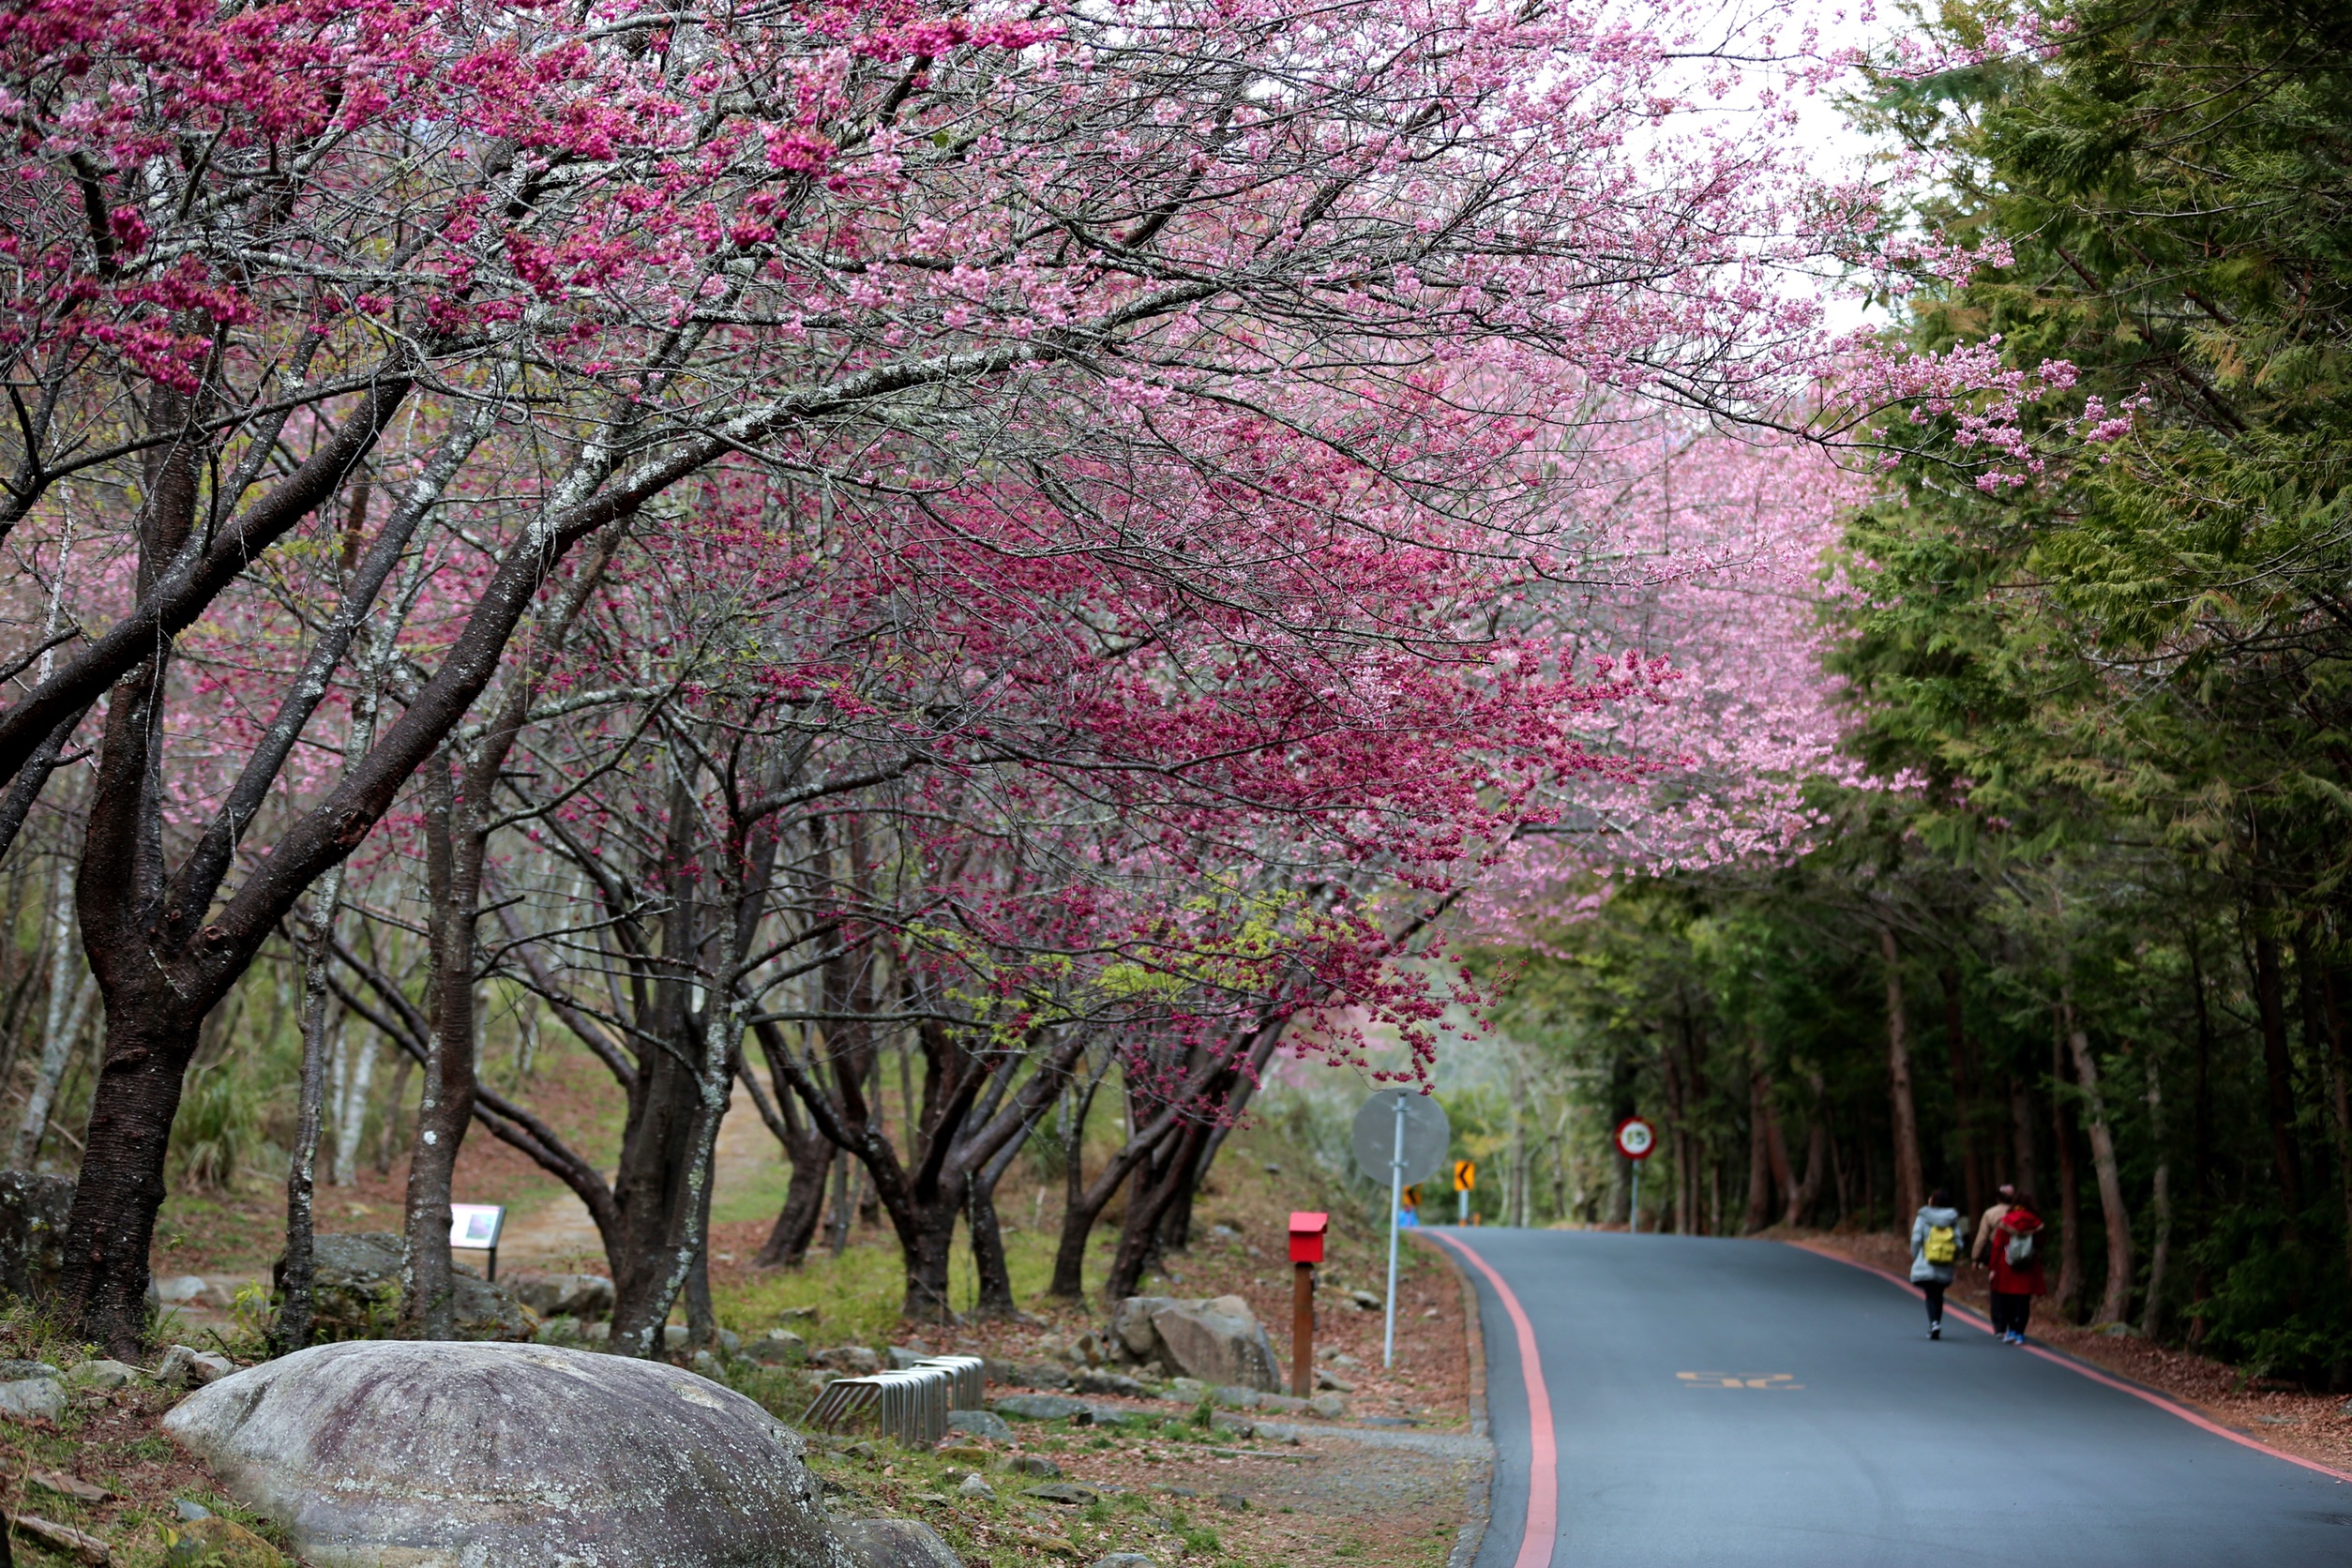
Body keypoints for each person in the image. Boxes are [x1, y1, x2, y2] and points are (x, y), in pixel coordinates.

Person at [1986, 1191, 2048, 1344]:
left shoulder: (2006, 1221)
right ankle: (2020, 1332)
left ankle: (2011, 1330)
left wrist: (1993, 1267)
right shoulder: (2036, 1223)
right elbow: (2040, 1244)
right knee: (2023, 1301)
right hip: (2027, 1266)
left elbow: (1997, 1245)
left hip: (2006, 1266)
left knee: (2007, 1300)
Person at [1909, 1188, 1967, 1338]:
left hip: (1927, 1261)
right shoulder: (1952, 1220)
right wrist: (1953, 1257)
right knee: (1939, 1294)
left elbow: (1916, 1239)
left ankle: (1933, 1323)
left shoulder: (1923, 1217)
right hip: (1944, 1262)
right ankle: (1936, 1322)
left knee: (1929, 1294)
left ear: (1933, 1201)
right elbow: (1959, 1243)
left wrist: (1917, 1256)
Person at [1971, 1184, 2016, 1266]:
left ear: (1998, 1198)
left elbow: (1982, 1237)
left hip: (1998, 1252)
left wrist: (1975, 1258)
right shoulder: (2020, 1212)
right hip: (2019, 1251)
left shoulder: (1990, 1213)